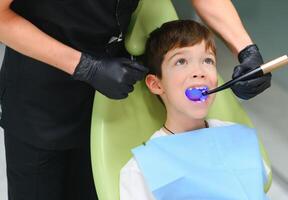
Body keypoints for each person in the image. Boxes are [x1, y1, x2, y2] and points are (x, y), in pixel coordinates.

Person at [0, 0, 271, 199]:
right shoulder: (138, 174)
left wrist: (246, 49)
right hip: (42, 95)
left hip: (113, 93)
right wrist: (85, 67)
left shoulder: (230, 140)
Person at [120, 20, 268, 199]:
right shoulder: (141, 170)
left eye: (208, 60)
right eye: (181, 61)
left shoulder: (239, 139)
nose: (199, 71)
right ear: (156, 84)